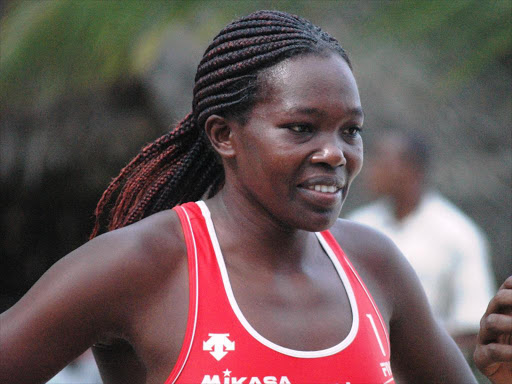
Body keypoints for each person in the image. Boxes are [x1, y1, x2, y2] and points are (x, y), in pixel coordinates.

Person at [0, 10, 507, 384]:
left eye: (350, 131)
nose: (335, 153)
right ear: (224, 136)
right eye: (301, 128)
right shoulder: (143, 264)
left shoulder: (373, 263)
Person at [346, 132, 496, 354]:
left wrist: (414, 359)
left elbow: (472, 324)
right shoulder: (358, 226)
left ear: (411, 171)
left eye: (382, 162)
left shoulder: (457, 234)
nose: (370, 170)